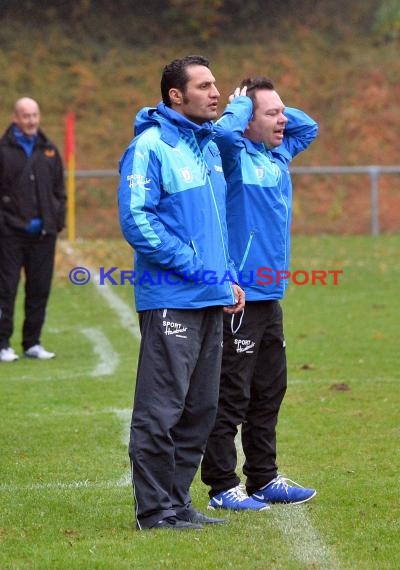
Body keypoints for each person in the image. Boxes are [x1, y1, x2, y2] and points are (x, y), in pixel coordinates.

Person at [117, 55, 245, 531]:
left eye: (216, 84)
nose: (216, 93)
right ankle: (154, 512)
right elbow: (137, 221)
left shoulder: (208, 148)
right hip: (171, 297)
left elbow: (216, 227)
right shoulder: (150, 146)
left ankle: (177, 503)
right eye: (205, 85)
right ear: (176, 95)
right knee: (162, 409)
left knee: (201, 409)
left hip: (211, 296)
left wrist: (227, 275)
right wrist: (195, 268)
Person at [201, 78, 319, 510]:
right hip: (241, 294)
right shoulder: (232, 156)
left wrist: (270, 99)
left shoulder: (278, 152)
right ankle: (220, 485)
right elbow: (224, 131)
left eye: (281, 113)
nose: (283, 121)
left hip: (271, 293)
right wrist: (239, 106)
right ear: (248, 122)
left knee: (270, 390)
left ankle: (263, 478)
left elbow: (309, 127)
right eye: (271, 115)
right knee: (232, 393)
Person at [0, 97, 66, 362]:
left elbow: (59, 191)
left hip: (43, 236)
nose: (31, 121)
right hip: (10, 236)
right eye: (26, 116)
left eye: (35, 115)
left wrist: (55, 222)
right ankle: (3, 343)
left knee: (39, 289)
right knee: (6, 289)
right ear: (16, 118)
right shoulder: (3, 151)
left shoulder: (48, 150)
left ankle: (32, 342)